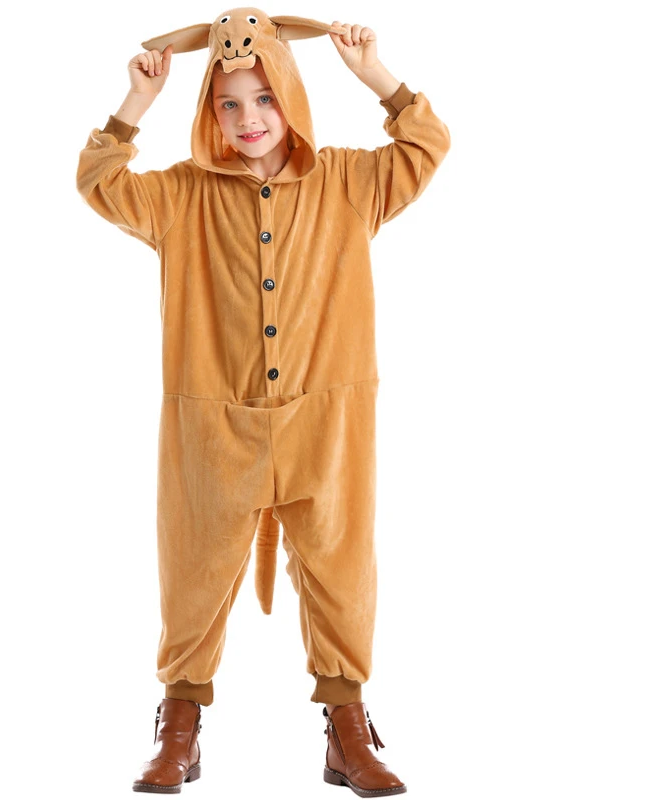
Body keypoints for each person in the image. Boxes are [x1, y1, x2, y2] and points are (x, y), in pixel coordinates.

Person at [76, 8, 450, 796]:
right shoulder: (180, 195)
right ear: (209, 112)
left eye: (265, 99)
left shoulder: (348, 181)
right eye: (229, 103)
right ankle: (179, 725)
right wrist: (137, 101)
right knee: (194, 568)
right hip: (213, 423)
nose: (249, 118)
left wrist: (374, 75)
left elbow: (426, 145)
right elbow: (100, 183)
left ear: (292, 99)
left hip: (328, 423)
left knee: (341, 566)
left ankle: (348, 729)